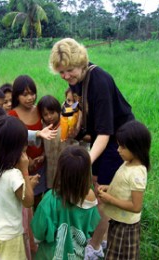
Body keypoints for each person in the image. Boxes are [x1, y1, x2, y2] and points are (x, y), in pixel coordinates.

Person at [49, 38, 135, 257]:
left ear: (81, 62)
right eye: (61, 72)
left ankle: (94, 247)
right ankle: (102, 237)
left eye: (69, 70)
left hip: (118, 139)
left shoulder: (100, 81)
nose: (66, 77)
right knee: (96, 185)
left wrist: (84, 161)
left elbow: (106, 133)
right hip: (99, 136)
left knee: (104, 195)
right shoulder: (75, 79)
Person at [0, 115, 39, 260]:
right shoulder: (14, 175)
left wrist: (25, 183)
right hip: (10, 236)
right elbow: (28, 202)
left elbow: (3, 191)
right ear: (15, 147)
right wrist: (25, 172)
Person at [31, 145, 101, 259]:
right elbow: (92, 227)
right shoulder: (90, 196)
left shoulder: (50, 199)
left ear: (60, 171)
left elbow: (38, 234)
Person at [97, 120, 151, 259]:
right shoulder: (128, 163)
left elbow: (136, 206)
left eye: (122, 147)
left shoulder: (137, 174)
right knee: (113, 252)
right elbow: (124, 187)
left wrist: (110, 199)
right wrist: (109, 188)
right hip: (118, 220)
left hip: (125, 227)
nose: (118, 150)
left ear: (136, 148)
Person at [9, 75, 46, 205]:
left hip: (41, 163)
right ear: (17, 96)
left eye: (32, 93)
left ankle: (38, 223)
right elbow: (12, 142)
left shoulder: (40, 110)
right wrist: (25, 161)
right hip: (22, 166)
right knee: (25, 200)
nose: (30, 98)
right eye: (25, 95)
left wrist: (43, 155)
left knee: (39, 199)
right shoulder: (12, 115)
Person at [37, 95, 68, 189]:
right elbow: (43, 145)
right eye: (45, 114)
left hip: (65, 166)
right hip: (50, 167)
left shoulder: (66, 125)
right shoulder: (43, 127)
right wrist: (42, 156)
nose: (49, 117)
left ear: (58, 110)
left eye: (52, 112)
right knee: (51, 189)